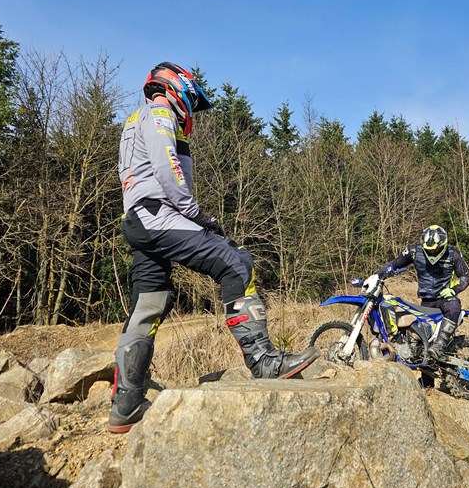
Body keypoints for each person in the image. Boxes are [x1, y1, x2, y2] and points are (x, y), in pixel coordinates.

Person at [109, 62, 319, 433]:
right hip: (160, 215)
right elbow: (166, 167)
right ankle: (264, 361)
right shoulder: (160, 111)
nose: (193, 111)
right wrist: (197, 215)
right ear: (178, 88)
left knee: (151, 301)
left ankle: (125, 403)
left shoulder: (135, 118)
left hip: (138, 219)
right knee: (235, 262)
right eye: (192, 100)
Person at [371, 225, 469, 360]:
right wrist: (378, 275)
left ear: (443, 245)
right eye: (429, 249)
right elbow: (394, 264)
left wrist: (454, 290)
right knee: (421, 344)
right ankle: (426, 379)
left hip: (445, 298)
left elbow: (465, 276)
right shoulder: (413, 252)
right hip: (425, 302)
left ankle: (440, 346)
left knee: (454, 307)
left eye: (435, 249)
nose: (432, 252)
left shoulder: (453, 254)